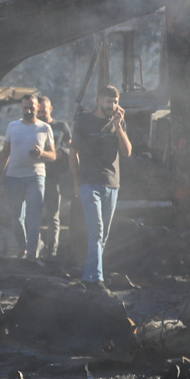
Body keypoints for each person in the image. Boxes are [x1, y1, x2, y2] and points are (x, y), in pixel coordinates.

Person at [70, 84, 133, 289]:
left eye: (115, 102)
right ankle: (96, 279)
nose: (112, 105)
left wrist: (118, 126)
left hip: (112, 185)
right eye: (108, 101)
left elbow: (127, 152)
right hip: (90, 184)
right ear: (99, 100)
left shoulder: (118, 123)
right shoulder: (84, 121)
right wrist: (76, 182)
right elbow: (73, 153)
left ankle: (89, 277)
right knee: (96, 230)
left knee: (103, 234)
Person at [0, 93, 56, 261]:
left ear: (38, 107)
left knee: (34, 216)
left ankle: (31, 253)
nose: (29, 111)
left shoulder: (45, 128)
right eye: (26, 108)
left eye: (32, 107)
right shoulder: (12, 126)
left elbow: (53, 156)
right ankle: (23, 248)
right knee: (16, 217)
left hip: (35, 176)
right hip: (14, 177)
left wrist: (41, 153)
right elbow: (5, 153)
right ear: (21, 108)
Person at [35, 95, 71, 260]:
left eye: (44, 111)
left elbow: (72, 147)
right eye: (39, 111)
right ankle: (34, 248)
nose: (42, 114)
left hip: (54, 177)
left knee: (53, 215)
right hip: (35, 175)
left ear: (50, 109)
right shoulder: (32, 127)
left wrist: (63, 152)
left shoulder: (61, 126)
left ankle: (52, 251)